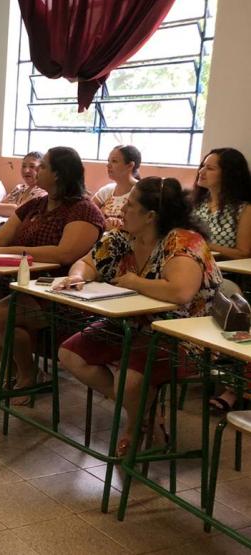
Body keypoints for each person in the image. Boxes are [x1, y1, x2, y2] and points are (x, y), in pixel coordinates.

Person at [55, 177, 221, 455]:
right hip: (132, 324)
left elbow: (180, 292)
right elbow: (87, 262)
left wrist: (135, 282)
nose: (121, 209)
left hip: (181, 334)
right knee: (71, 354)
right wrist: (76, 277)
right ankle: (147, 414)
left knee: (130, 380)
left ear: (150, 216)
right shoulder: (122, 237)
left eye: (130, 205)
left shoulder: (183, 242)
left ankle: (134, 424)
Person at [0, 146, 104, 403]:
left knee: (1, 315)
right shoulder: (34, 205)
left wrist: (9, 250)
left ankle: (28, 376)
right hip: (18, 281)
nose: (36, 171)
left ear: (59, 174)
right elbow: (1, 235)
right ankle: (18, 370)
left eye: (44, 166)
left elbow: (64, 254)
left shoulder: (84, 211)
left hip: (56, 289)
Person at [191, 148, 251, 412]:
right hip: (195, 273)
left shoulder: (243, 209)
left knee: (234, 312)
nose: (202, 172)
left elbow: (243, 252)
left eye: (211, 168)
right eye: (202, 166)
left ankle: (234, 388)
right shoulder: (197, 205)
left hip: (225, 277)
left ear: (229, 175)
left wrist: (205, 244)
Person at [0, 151, 47, 217]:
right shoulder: (19, 189)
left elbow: (19, 210)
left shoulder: (42, 192)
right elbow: (1, 205)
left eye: (32, 166)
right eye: (23, 166)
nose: (26, 170)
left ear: (42, 169)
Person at [91, 145, 142, 231]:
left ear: (130, 165)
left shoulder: (142, 192)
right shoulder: (106, 191)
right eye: (108, 161)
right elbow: (87, 215)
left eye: (114, 161)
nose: (108, 165)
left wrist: (119, 227)